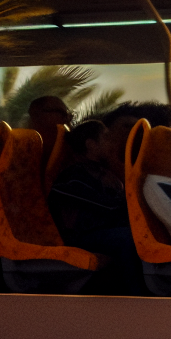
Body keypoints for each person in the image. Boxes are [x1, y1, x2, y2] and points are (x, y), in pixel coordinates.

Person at [47, 120, 144, 295]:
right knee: (129, 238)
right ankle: (137, 297)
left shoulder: (103, 172)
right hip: (82, 236)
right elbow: (108, 207)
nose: (111, 143)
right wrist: (118, 195)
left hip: (105, 231)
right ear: (91, 144)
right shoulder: (74, 175)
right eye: (105, 138)